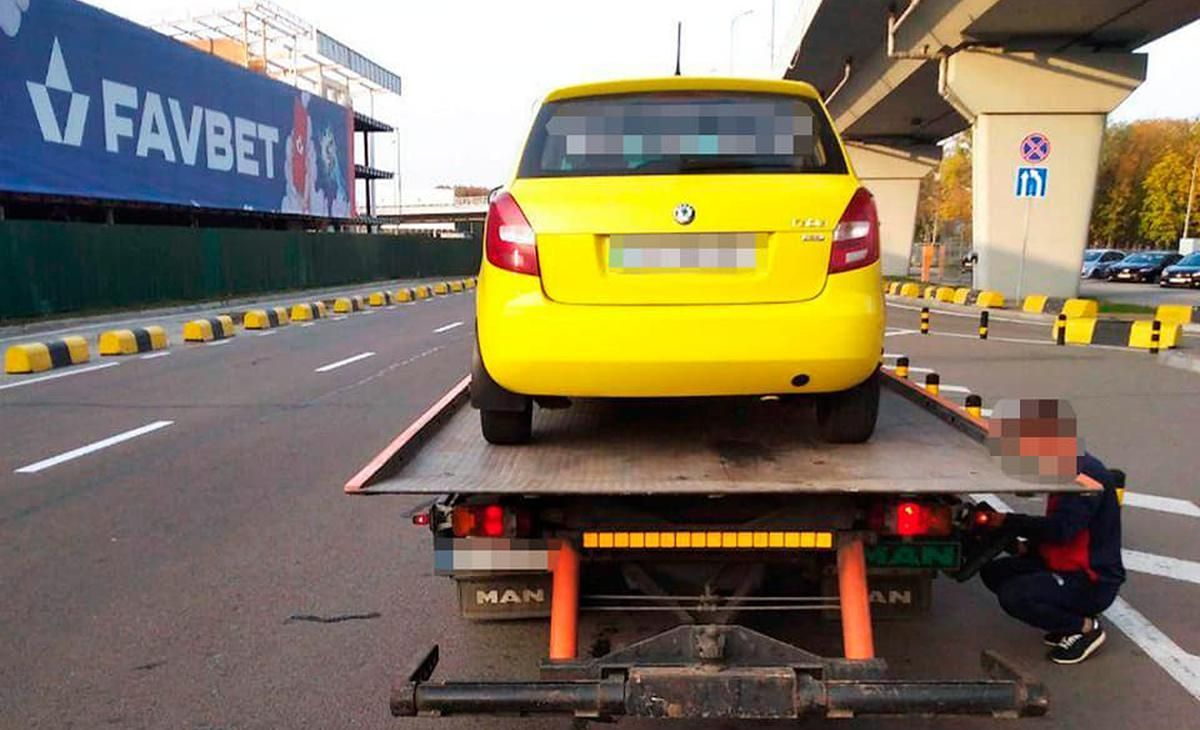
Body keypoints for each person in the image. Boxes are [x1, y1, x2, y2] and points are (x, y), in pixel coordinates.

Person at [978, 399, 1125, 665]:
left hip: (1089, 579)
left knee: (1015, 595)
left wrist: (1009, 521)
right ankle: (1064, 618)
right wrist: (1024, 546)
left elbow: (1061, 530)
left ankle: (1084, 628)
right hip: (1063, 562)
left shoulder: (1084, 479)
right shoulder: (1064, 467)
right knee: (994, 572)